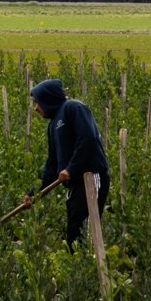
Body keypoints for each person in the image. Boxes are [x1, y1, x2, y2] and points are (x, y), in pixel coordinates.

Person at [26, 78, 109, 247]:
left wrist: (70, 169)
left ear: (48, 100)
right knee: (74, 231)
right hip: (74, 184)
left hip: (91, 178)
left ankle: (92, 269)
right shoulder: (52, 126)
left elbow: (88, 139)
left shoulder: (74, 108)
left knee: (85, 232)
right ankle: (77, 269)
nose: (36, 109)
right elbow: (52, 165)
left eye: (38, 103)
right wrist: (34, 194)